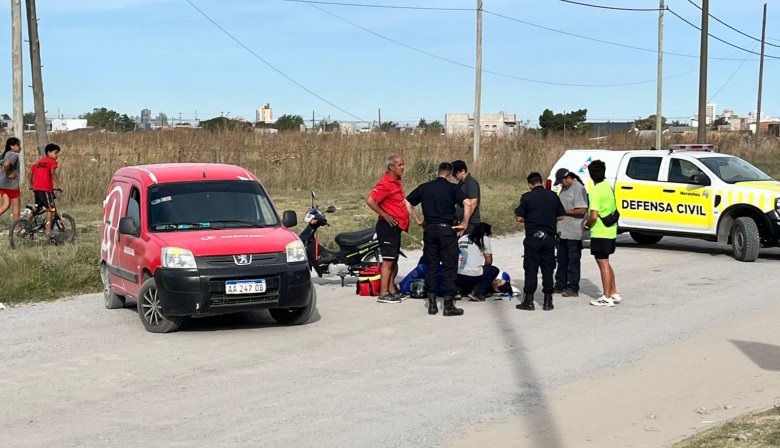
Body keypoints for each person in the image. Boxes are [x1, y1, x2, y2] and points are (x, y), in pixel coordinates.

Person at [406, 162, 472, 317]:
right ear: (449, 175)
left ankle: (432, 304)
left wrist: (418, 220)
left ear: (438, 172)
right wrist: (464, 223)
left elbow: (407, 202)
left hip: (430, 230)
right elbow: (467, 203)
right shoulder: (452, 188)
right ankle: (448, 306)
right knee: (449, 267)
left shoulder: (425, 187)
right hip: (446, 231)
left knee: (431, 266)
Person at [365, 154, 421, 304]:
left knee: (394, 259)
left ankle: (391, 290)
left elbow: (403, 202)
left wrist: (416, 219)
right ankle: (383, 294)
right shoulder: (385, 183)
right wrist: (386, 215)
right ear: (391, 167)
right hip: (387, 226)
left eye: (403, 164)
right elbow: (370, 200)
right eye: (399, 165)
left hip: (397, 227)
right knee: (388, 261)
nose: (403, 167)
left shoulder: (397, 182)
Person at [514, 172, 565, 311]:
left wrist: (530, 218)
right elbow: (561, 216)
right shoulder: (553, 196)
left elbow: (519, 218)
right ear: (541, 182)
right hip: (549, 238)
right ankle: (548, 301)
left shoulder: (527, 197)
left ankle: (528, 301)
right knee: (548, 269)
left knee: (531, 268)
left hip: (533, 238)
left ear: (530, 184)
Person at [582, 160, 622, 307]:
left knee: (602, 263)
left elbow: (593, 215)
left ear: (591, 175)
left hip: (600, 232)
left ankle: (606, 296)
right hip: (611, 230)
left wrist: (586, 225)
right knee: (606, 262)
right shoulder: (608, 187)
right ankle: (613, 291)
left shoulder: (595, 192)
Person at [553, 169, 589, 298]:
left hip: (574, 232)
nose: (561, 184)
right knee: (562, 260)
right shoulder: (564, 188)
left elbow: (582, 210)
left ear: (568, 177)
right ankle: (560, 284)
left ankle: (573, 287)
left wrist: (563, 212)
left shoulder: (578, 188)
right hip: (562, 232)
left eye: (562, 181)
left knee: (573, 261)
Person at [456, 222, 499, 301]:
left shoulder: (462, 238)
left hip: (457, 275)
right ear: (485, 232)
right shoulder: (484, 238)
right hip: (472, 275)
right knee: (493, 270)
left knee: (463, 269)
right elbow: (488, 260)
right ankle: (477, 292)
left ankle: (458, 291)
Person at [29, 143, 61, 238]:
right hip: (45, 189)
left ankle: (25, 223)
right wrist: (58, 185)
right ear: (49, 152)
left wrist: (31, 184)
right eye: (55, 153)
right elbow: (52, 173)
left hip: (37, 188)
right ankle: (48, 230)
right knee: (51, 208)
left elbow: (30, 172)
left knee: (38, 208)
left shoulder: (39, 162)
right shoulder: (51, 161)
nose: (57, 155)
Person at [452, 160, 480, 233]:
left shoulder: (471, 183)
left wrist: (465, 222)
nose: (454, 176)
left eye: (456, 174)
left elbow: (473, 203)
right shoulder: (460, 184)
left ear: (463, 171)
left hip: (471, 222)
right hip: (460, 221)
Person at [0, 137, 23, 223]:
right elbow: (6, 165)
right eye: (18, 145)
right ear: (11, 146)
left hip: (2, 185)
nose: (20, 147)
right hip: (12, 186)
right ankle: (17, 229)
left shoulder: (3, 155)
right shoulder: (13, 155)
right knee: (16, 208)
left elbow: (3, 164)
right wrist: (8, 173)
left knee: (6, 205)